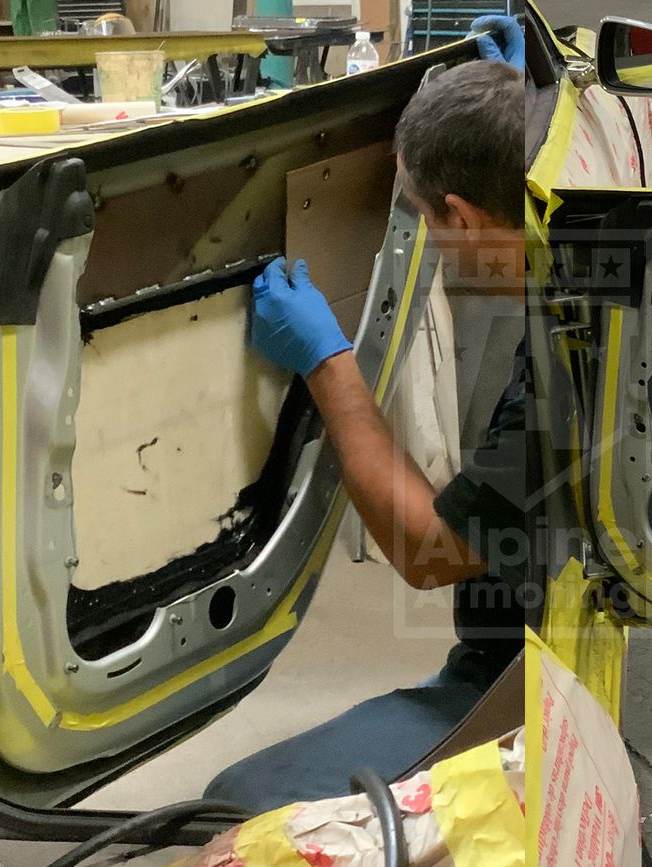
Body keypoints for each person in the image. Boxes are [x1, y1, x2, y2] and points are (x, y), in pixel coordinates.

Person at [205, 36, 529, 812]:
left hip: (531, 685)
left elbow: (429, 551)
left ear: (463, 215)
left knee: (233, 803)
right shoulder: (612, 254)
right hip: (540, 647)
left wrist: (329, 366)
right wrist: (522, 96)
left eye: (426, 218)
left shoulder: (561, 379)